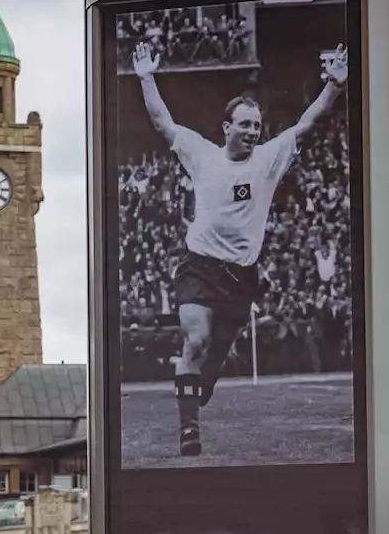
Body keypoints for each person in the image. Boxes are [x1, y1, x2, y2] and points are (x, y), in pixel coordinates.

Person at [131, 40, 349, 455]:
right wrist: (146, 77)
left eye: (257, 125)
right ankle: (188, 432)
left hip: (240, 277)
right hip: (198, 265)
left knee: (212, 365)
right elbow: (163, 123)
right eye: (245, 124)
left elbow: (305, 125)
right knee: (194, 342)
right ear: (226, 127)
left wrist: (333, 88)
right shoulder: (203, 156)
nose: (253, 131)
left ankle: (199, 389)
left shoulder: (267, 159)